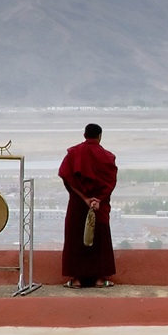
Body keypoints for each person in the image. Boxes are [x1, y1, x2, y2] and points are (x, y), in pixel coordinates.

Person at [59, 123, 118, 288]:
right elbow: (110, 181)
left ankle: (76, 280)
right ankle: (100, 279)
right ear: (100, 136)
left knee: (75, 236)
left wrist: (85, 198)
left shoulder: (74, 154)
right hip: (99, 206)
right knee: (100, 237)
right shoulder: (107, 156)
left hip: (79, 204)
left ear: (85, 135)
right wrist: (98, 199)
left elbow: (66, 176)